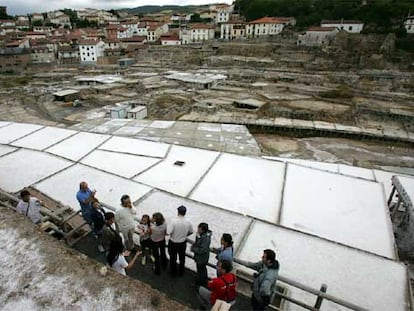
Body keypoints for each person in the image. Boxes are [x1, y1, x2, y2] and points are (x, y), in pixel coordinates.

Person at [167, 205, 193, 277]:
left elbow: (168, 232)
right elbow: (191, 231)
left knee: (173, 258)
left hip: (173, 242)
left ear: (178, 212)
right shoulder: (188, 221)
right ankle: (181, 271)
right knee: (182, 258)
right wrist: (184, 235)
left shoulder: (173, 221)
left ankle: (173, 272)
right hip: (182, 243)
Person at [191, 222, 212, 287]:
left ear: (202, 230)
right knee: (203, 270)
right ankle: (203, 281)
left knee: (200, 271)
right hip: (202, 258)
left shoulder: (205, 238)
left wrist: (193, 249)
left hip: (201, 258)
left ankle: (199, 283)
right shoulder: (204, 236)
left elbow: (202, 250)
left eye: (199, 229)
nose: (197, 230)